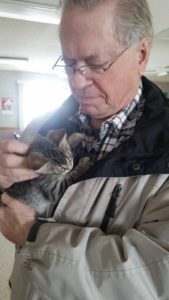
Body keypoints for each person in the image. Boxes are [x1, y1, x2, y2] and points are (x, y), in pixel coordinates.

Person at [0, 0, 169, 299]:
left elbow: (155, 277)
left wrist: (34, 235)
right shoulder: (41, 125)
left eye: (95, 63)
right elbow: (12, 207)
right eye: (68, 62)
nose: (77, 82)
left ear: (141, 54)